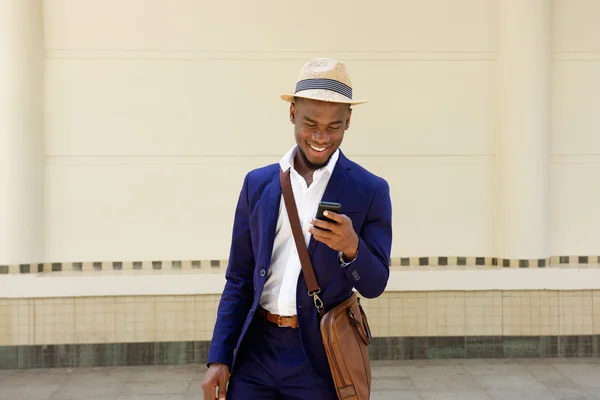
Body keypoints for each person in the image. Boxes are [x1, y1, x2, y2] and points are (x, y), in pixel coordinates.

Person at [202, 58, 393, 400]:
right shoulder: (258, 184)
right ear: (292, 113)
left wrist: (352, 248)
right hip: (255, 351)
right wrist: (219, 356)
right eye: (310, 123)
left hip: (319, 358)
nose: (321, 137)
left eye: (334, 126)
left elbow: (376, 283)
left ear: (348, 121)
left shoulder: (369, 190)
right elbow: (240, 278)